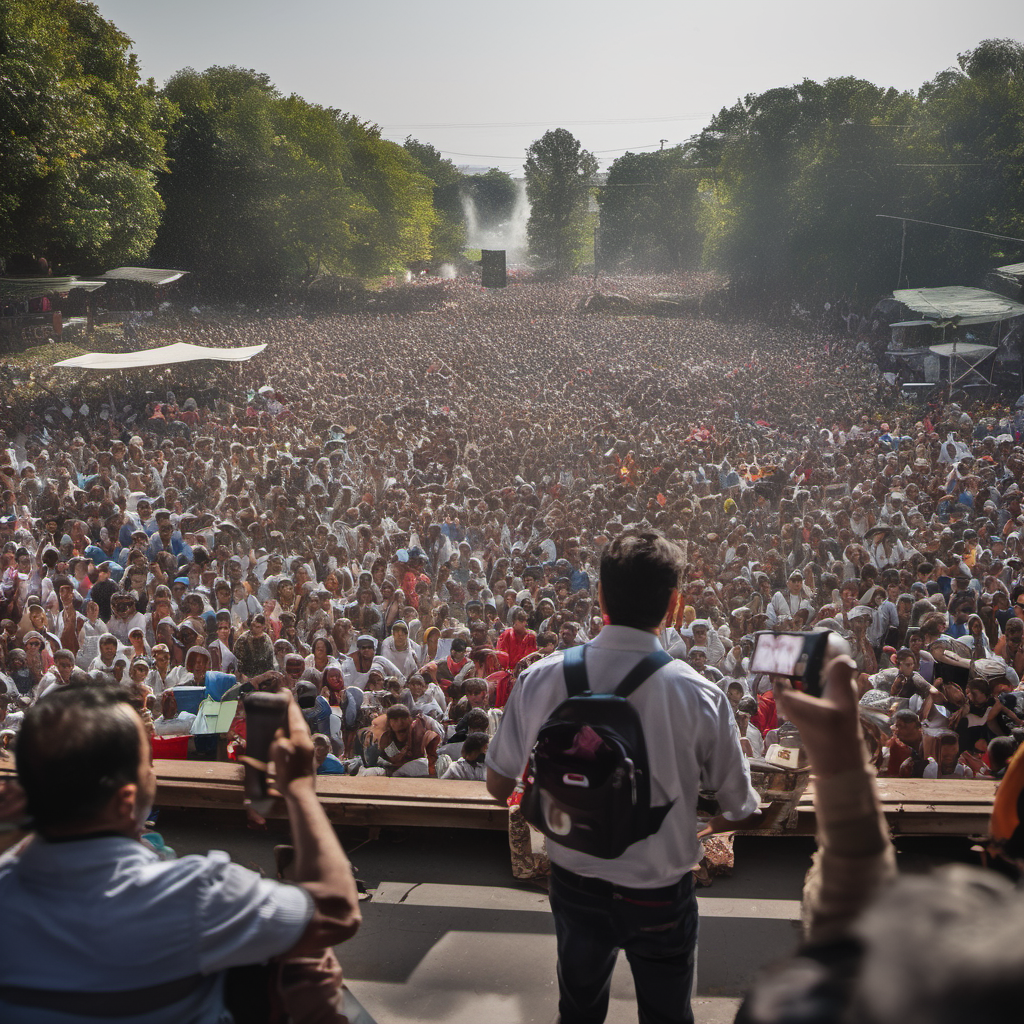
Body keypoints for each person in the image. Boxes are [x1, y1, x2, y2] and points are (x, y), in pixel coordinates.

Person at [487, 530, 759, 1024]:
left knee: (579, 1009)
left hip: (574, 882)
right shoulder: (701, 695)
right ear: (675, 606)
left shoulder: (540, 677)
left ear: (600, 596)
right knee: (667, 1015)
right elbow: (741, 806)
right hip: (662, 893)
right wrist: (709, 826)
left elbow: (498, 785)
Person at [0, 684, 361, 1022]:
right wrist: (299, 790)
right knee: (309, 963)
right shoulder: (196, 894)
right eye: (148, 766)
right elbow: (335, 910)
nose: (153, 774)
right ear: (126, 801)